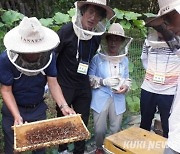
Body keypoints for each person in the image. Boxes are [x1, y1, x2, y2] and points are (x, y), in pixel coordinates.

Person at [0, 17, 75, 154]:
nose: (34, 53)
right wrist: (17, 116)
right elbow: (6, 90)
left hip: (38, 109)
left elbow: (53, 82)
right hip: (13, 110)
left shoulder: (49, 56)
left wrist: (64, 106)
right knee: (13, 149)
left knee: (40, 148)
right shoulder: (5, 59)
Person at [54, 0, 115, 153]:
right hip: (64, 85)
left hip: (83, 85)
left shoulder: (95, 37)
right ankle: (63, 150)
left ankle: (79, 151)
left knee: (82, 122)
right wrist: (50, 82)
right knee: (63, 121)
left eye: (98, 15)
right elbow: (53, 56)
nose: (93, 18)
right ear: (83, 12)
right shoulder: (66, 31)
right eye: (91, 12)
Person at [88, 23, 132, 154]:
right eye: (111, 39)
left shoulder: (124, 60)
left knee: (115, 128)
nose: (113, 43)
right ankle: (99, 148)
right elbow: (89, 78)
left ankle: (111, 149)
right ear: (107, 40)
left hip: (118, 98)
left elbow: (127, 78)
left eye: (117, 40)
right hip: (101, 96)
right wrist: (103, 81)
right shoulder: (97, 59)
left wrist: (125, 86)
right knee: (99, 129)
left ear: (121, 42)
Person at [140, 0, 180, 138]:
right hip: (149, 87)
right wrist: (151, 73)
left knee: (167, 124)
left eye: (162, 27)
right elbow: (144, 59)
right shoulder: (148, 42)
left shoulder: (176, 44)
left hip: (169, 90)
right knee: (144, 122)